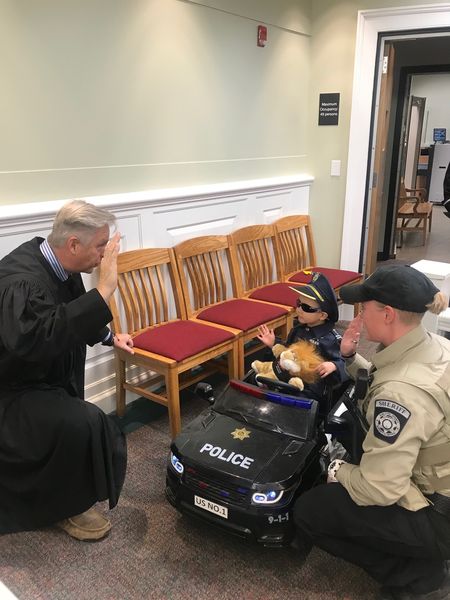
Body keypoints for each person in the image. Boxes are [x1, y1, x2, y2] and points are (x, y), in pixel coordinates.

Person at [292, 264, 450, 600]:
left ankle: (418, 576)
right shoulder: (433, 345)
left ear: (389, 314)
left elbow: (380, 490)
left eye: (365, 306)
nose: (358, 314)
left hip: (440, 516)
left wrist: (338, 470)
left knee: (310, 511)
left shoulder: (400, 395)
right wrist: (349, 359)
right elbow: (390, 381)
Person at [0, 200, 134, 541]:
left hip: (38, 381)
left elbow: (69, 315)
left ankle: (65, 496)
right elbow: (37, 339)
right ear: (73, 244)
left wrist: (107, 336)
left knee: (75, 417)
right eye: (100, 246)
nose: (104, 255)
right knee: (85, 421)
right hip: (11, 390)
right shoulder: (21, 281)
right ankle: (62, 508)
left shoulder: (59, 265)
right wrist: (105, 289)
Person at [256, 271, 348, 409]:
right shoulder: (298, 330)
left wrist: (334, 365)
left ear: (322, 315)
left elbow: (346, 362)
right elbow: (288, 353)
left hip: (309, 390)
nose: (299, 310)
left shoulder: (331, 339)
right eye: (299, 303)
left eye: (306, 307)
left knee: (293, 401)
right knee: (255, 380)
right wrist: (273, 344)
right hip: (286, 378)